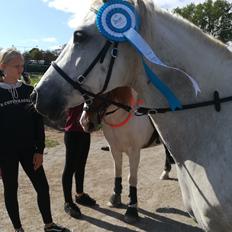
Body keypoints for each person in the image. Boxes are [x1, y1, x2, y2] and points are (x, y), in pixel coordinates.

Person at [0, 48, 70, 232]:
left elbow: (38, 124)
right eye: (16, 66)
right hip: (5, 153)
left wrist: (40, 149)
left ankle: (49, 225)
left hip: (29, 149)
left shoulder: (29, 91)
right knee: (11, 190)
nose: (20, 70)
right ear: (3, 67)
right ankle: (18, 229)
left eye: (22, 66)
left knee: (42, 187)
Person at [62, 105, 96, 219]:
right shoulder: (71, 89)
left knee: (81, 165)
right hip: (72, 132)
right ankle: (67, 202)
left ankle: (80, 195)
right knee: (70, 168)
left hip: (85, 131)